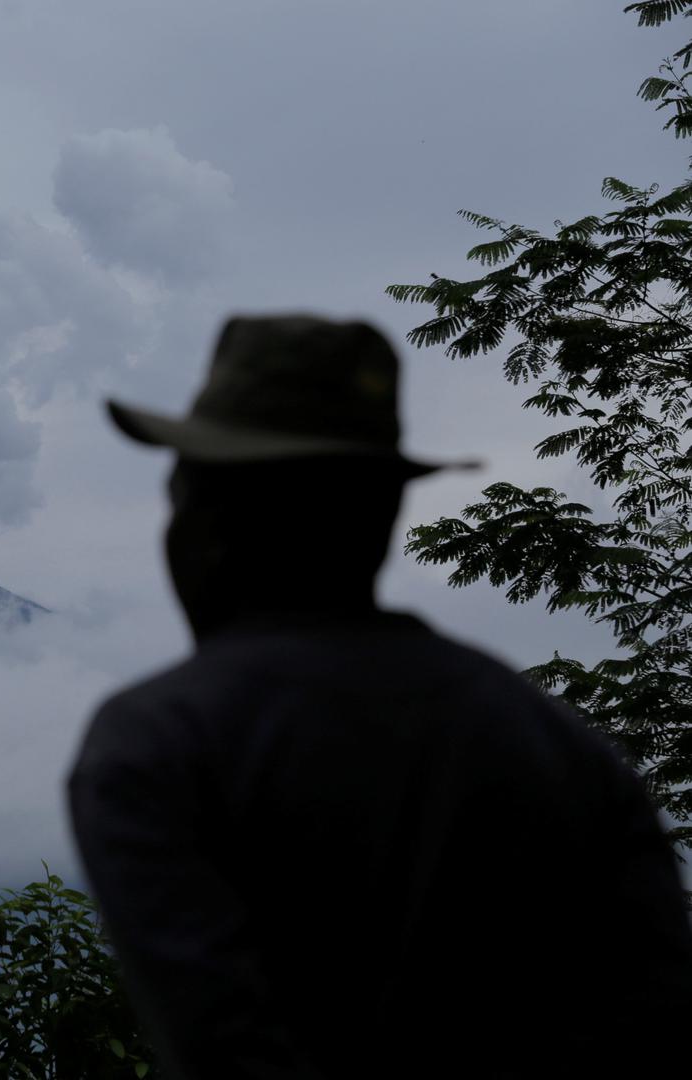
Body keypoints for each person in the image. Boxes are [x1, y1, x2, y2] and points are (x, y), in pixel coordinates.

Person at [67, 314, 692, 1078]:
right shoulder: (556, 743)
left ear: (207, 517)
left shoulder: (158, 744)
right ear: (382, 515)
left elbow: (223, 1050)